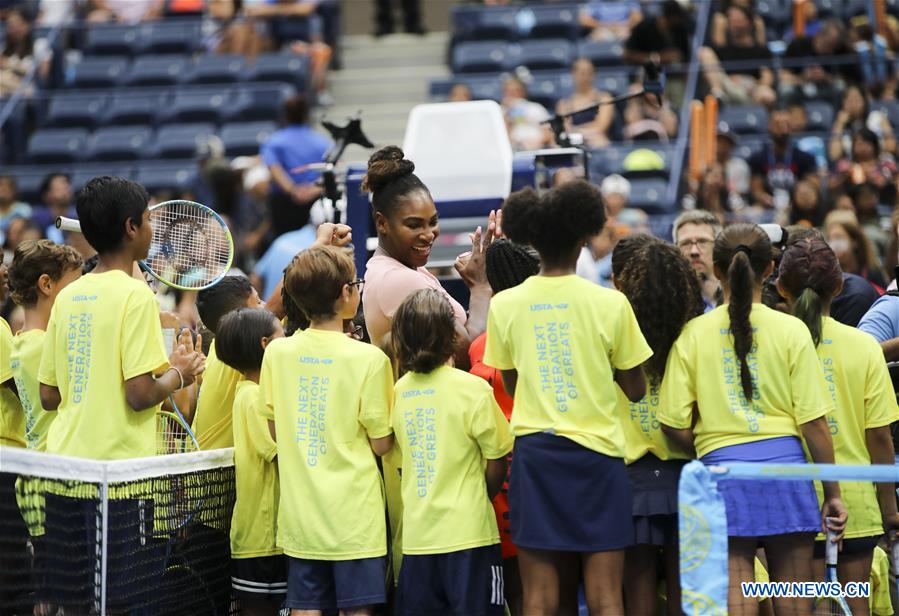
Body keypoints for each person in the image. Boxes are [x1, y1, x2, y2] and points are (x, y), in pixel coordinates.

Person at [658, 223, 847, 615]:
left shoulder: (692, 334)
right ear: (769, 270)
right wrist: (833, 494)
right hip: (788, 475)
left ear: (716, 267)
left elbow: (673, 424)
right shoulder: (792, 330)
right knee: (794, 597)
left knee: (737, 592)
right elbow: (813, 423)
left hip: (721, 475)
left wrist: (713, 450)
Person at [36, 176, 205, 612]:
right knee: (124, 604)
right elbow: (140, 393)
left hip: (64, 477)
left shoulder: (69, 296)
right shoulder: (136, 296)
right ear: (132, 227)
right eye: (148, 219)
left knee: (75, 605)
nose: (151, 227)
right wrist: (181, 374)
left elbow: (49, 395)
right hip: (120, 486)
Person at [484, 181, 652, 614]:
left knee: (539, 598)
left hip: (536, 457)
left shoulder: (505, 304)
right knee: (605, 596)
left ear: (533, 242)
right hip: (599, 457)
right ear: (583, 238)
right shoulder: (610, 304)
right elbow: (637, 391)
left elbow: (511, 385)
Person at [259, 245, 394, 615]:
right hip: (355, 520)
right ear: (344, 294)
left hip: (301, 518)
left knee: (305, 610)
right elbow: (382, 444)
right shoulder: (370, 359)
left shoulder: (277, 353)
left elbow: (274, 429)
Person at [777, 237, 899, 616]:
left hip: (787, 505)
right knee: (853, 608)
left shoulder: (769, 342)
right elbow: (879, 436)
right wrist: (890, 510)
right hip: (856, 505)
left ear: (781, 288)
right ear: (840, 286)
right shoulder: (864, 347)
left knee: (801, 608)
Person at [390, 288, 512, 615]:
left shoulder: (400, 391)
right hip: (471, 537)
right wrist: (480, 495)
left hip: (418, 539)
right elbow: (498, 458)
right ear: (450, 335)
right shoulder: (473, 388)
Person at [611, 234, 704, 616]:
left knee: (638, 592)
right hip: (686, 474)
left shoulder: (614, 333)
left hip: (629, 479)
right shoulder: (692, 337)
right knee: (687, 588)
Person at [361, 145, 494, 365]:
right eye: (414, 225)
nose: (428, 234)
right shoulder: (397, 280)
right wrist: (481, 287)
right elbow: (471, 357)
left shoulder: (408, 269)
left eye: (433, 222)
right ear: (382, 223)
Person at [468, 238, 540, 615]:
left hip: (500, 470)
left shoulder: (481, 345)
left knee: (515, 583)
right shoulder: (543, 335)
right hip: (537, 463)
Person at [215, 307, 287, 616]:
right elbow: (278, 451)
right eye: (282, 336)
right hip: (262, 539)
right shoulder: (253, 397)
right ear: (265, 345)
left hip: (273, 539)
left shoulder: (258, 393)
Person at [8, 239, 82, 450]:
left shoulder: (22, 341)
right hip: (54, 463)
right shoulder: (43, 344)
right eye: (74, 286)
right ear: (46, 284)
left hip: (39, 462)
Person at [193, 275, 263, 449]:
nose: (266, 306)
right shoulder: (235, 349)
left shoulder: (220, 347)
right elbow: (277, 309)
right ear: (239, 321)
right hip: (214, 473)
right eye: (259, 303)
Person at [260, 95, 332, 240]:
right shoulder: (322, 142)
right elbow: (331, 170)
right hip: (315, 202)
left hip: (286, 203)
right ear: (306, 115)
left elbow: (274, 169)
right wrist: (312, 191)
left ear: (285, 116)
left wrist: (294, 190)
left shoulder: (274, 141)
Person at [699, 4, 775, 106]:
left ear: (749, 22)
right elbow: (715, 72)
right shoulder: (723, 49)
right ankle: (718, 95)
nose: (733, 23)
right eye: (731, 20)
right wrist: (732, 80)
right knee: (704, 52)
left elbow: (767, 78)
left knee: (768, 94)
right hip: (727, 88)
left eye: (738, 19)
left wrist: (750, 83)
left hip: (750, 90)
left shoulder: (761, 51)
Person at [748, 107, 818, 212]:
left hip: (796, 208)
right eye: (778, 124)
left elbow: (813, 186)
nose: (782, 128)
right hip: (767, 208)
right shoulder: (758, 157)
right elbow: (756, 189)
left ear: (791, 127)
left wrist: (798, 197)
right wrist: (765, 199)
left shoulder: (805, 158)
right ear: (769, 126)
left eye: (786, 124)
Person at [555, 59, 614, 149]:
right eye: (581, 73)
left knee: (600, 141)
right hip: (572, 140)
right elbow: (564, 129)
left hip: (596, 139)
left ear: (594, 75)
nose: (585, 77)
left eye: (589, 73)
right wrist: (579, 133)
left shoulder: (604, 98)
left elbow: (601, 127)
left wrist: (576, 131)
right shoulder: (564, 103)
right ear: (573, 74)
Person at [672, 210, 723, 312]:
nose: (694, 251)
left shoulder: (738, 297)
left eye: (702, 242)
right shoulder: (670, 301)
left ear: (718, 246)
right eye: (686, 243)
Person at [825, 209, 887, 290]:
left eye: (838, 237)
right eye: (830, 238)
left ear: (854, 241)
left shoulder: (872, 273)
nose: (833, 243)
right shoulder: (827, 275)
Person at [624, 0, 690, 66]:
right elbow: (628, 55)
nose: (678, 21)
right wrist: (659, 57)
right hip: (647, 71)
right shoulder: (644, 27)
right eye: (676, 18)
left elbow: (686, 56)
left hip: (675, 72)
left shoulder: (680, 29)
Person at [502, 77, 553, 152]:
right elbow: (501, 137)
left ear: (523, 92)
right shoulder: (500, 111)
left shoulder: (536, 108)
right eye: (508, 91)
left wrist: (537, 142)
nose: (511, 94)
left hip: (537, 149)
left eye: (515, 91)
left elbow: (548, 133)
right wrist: (507, 114)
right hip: (511, 150)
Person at [0, 176, 31, 247]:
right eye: (0, 185)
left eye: (8, 186)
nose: (3, 189)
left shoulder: (24, 209)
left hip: (17, 246)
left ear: (14, 191)